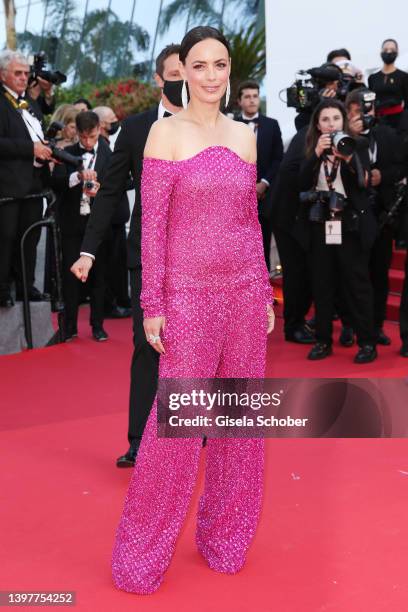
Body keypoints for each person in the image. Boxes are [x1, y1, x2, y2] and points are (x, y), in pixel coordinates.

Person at [111, 25, 274, 595]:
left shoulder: (245, 135)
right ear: (183, 70)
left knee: (239, 424)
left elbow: (249, 224)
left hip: (245, 293)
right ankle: (141, 552)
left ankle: (225, 536)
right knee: (177, 431)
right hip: (187, 296)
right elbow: (151, 229)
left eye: (220, 64)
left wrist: (265, 289)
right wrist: (152, 304)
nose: (210, 76)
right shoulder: (164, 135)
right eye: (199, 65)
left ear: (230, 70)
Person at [70, 44, 184, 467]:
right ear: (159, 78)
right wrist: (88, 251)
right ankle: (139, 439)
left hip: (198, 257)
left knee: (195, 345)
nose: (182, 81)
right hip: (149, 254)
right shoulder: (135, 130)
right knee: (147, 344)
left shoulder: (207, 125)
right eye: (174, 73)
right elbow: (111, 191)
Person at [298, 99, 377, 363]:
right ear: (317, 125)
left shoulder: (358, 145)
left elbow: (364, 184)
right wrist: (316, 156)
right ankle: (322, 340)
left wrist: (350, 158)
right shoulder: (310, 147)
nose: (331, 124)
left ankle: (367, 342)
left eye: (336, 119)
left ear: (343, 121)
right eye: (325, 119)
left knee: (357, 285)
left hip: (350, 225)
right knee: (322, 285)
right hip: (320, 224)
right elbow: (297, 183)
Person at [346, 88, 403, 346]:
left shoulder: (389, 135)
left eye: (367, 109)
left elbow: (401, 166)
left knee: (380, 275)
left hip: (383, 216)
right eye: (358, 110)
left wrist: (383, 176)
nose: (364, 115)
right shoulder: (343, 139)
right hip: (352, 219)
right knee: (352, 275)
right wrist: (352, 138)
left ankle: (377, 326)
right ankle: (351, 325)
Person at [51, 111, 111, 341]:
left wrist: (101, 188)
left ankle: (98, 326)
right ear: (76, 132)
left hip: (98, 224)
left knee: (99, 276)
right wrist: (76, 177)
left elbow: (123, 182)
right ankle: (69, 327)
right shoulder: (66, 154)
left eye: (92, 136)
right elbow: (55, 182)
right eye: (84, 137)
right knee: (70, 278)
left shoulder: (110, 153)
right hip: (72, 223)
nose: (87, 141)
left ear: (99, 130)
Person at [0, 50, 52, 308]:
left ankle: (25, 287)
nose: (23, 78)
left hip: (35, 182)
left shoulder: (30, 104)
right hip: (7, 185)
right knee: (5, 237)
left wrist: (46, 151)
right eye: (17, 73)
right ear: (2, 75)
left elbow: (36, 135)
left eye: (25, 73)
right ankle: (2, 290)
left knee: (30, 238)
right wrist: (30, 149)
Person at [235, 79, 283, 270]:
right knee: (238, 245)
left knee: (263, 242)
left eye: (255, 96)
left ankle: (264, 290)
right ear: (239, 101)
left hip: (266, 196)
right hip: (237, 197)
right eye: (247, 96)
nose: (252, 100)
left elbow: (278, 158)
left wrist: (264, 183)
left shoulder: (272, 125)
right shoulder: (230, 125)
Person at [368, 39, 408, 134]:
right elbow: (370, 100)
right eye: (386, 49)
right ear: (381, 52)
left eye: (392, 49)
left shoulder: (403, 76)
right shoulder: (373, 77)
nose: (389, 52)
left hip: (398, 121)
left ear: (397, 52)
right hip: (378, 121)